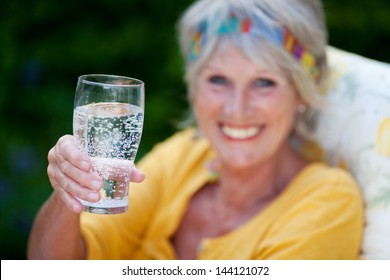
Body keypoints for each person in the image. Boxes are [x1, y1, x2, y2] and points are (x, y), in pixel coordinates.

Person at [28, 0, 364, 260]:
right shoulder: (183, 156)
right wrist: (67, 193)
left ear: (302, 92)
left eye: (264, 83)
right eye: (219, 80)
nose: (236, 109)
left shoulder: (329, 200)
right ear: (194, 87)